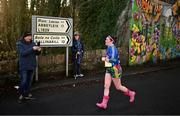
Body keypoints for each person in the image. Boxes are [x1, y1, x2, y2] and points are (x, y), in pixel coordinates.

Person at [96, 35, 136, 109]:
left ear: (111, 41)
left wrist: (106, 59)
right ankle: (104, 104)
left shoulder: (113, 49)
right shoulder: (108, 47)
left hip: (115, 69)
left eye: (106, 39)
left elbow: (113, 60)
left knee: (118, 87)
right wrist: (106, 59)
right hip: (109, 68)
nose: (105, 40)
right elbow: (109, 58)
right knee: (106, 85)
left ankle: (131, 93)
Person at [17, 32, 41, 102]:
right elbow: (22, 53)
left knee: (29, 81)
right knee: (23, 81)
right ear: (24, 37)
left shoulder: (33, 43)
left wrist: (39, 51)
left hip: (32, 65)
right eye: (28, 36)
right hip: (24, 66)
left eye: (30, 36)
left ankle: (27, 93)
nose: (30, 38)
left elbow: (36, 53)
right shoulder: (20, 44)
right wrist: (32, 49)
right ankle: (21, 94)